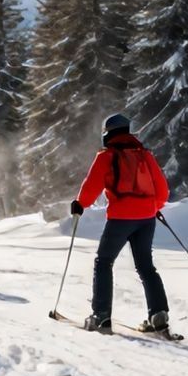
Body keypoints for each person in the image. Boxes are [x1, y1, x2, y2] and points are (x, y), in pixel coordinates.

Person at [70, 113, 172, 336]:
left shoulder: (107, 156)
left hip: (120, 218)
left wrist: (80, 204)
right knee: (146, 266)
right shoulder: (145, 155)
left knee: (104, 262)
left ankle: (101, 316)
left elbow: (92, 184)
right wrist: (153, 207)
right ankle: (159, 316)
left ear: (108, 133)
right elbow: (162, 189)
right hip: (146, 219)